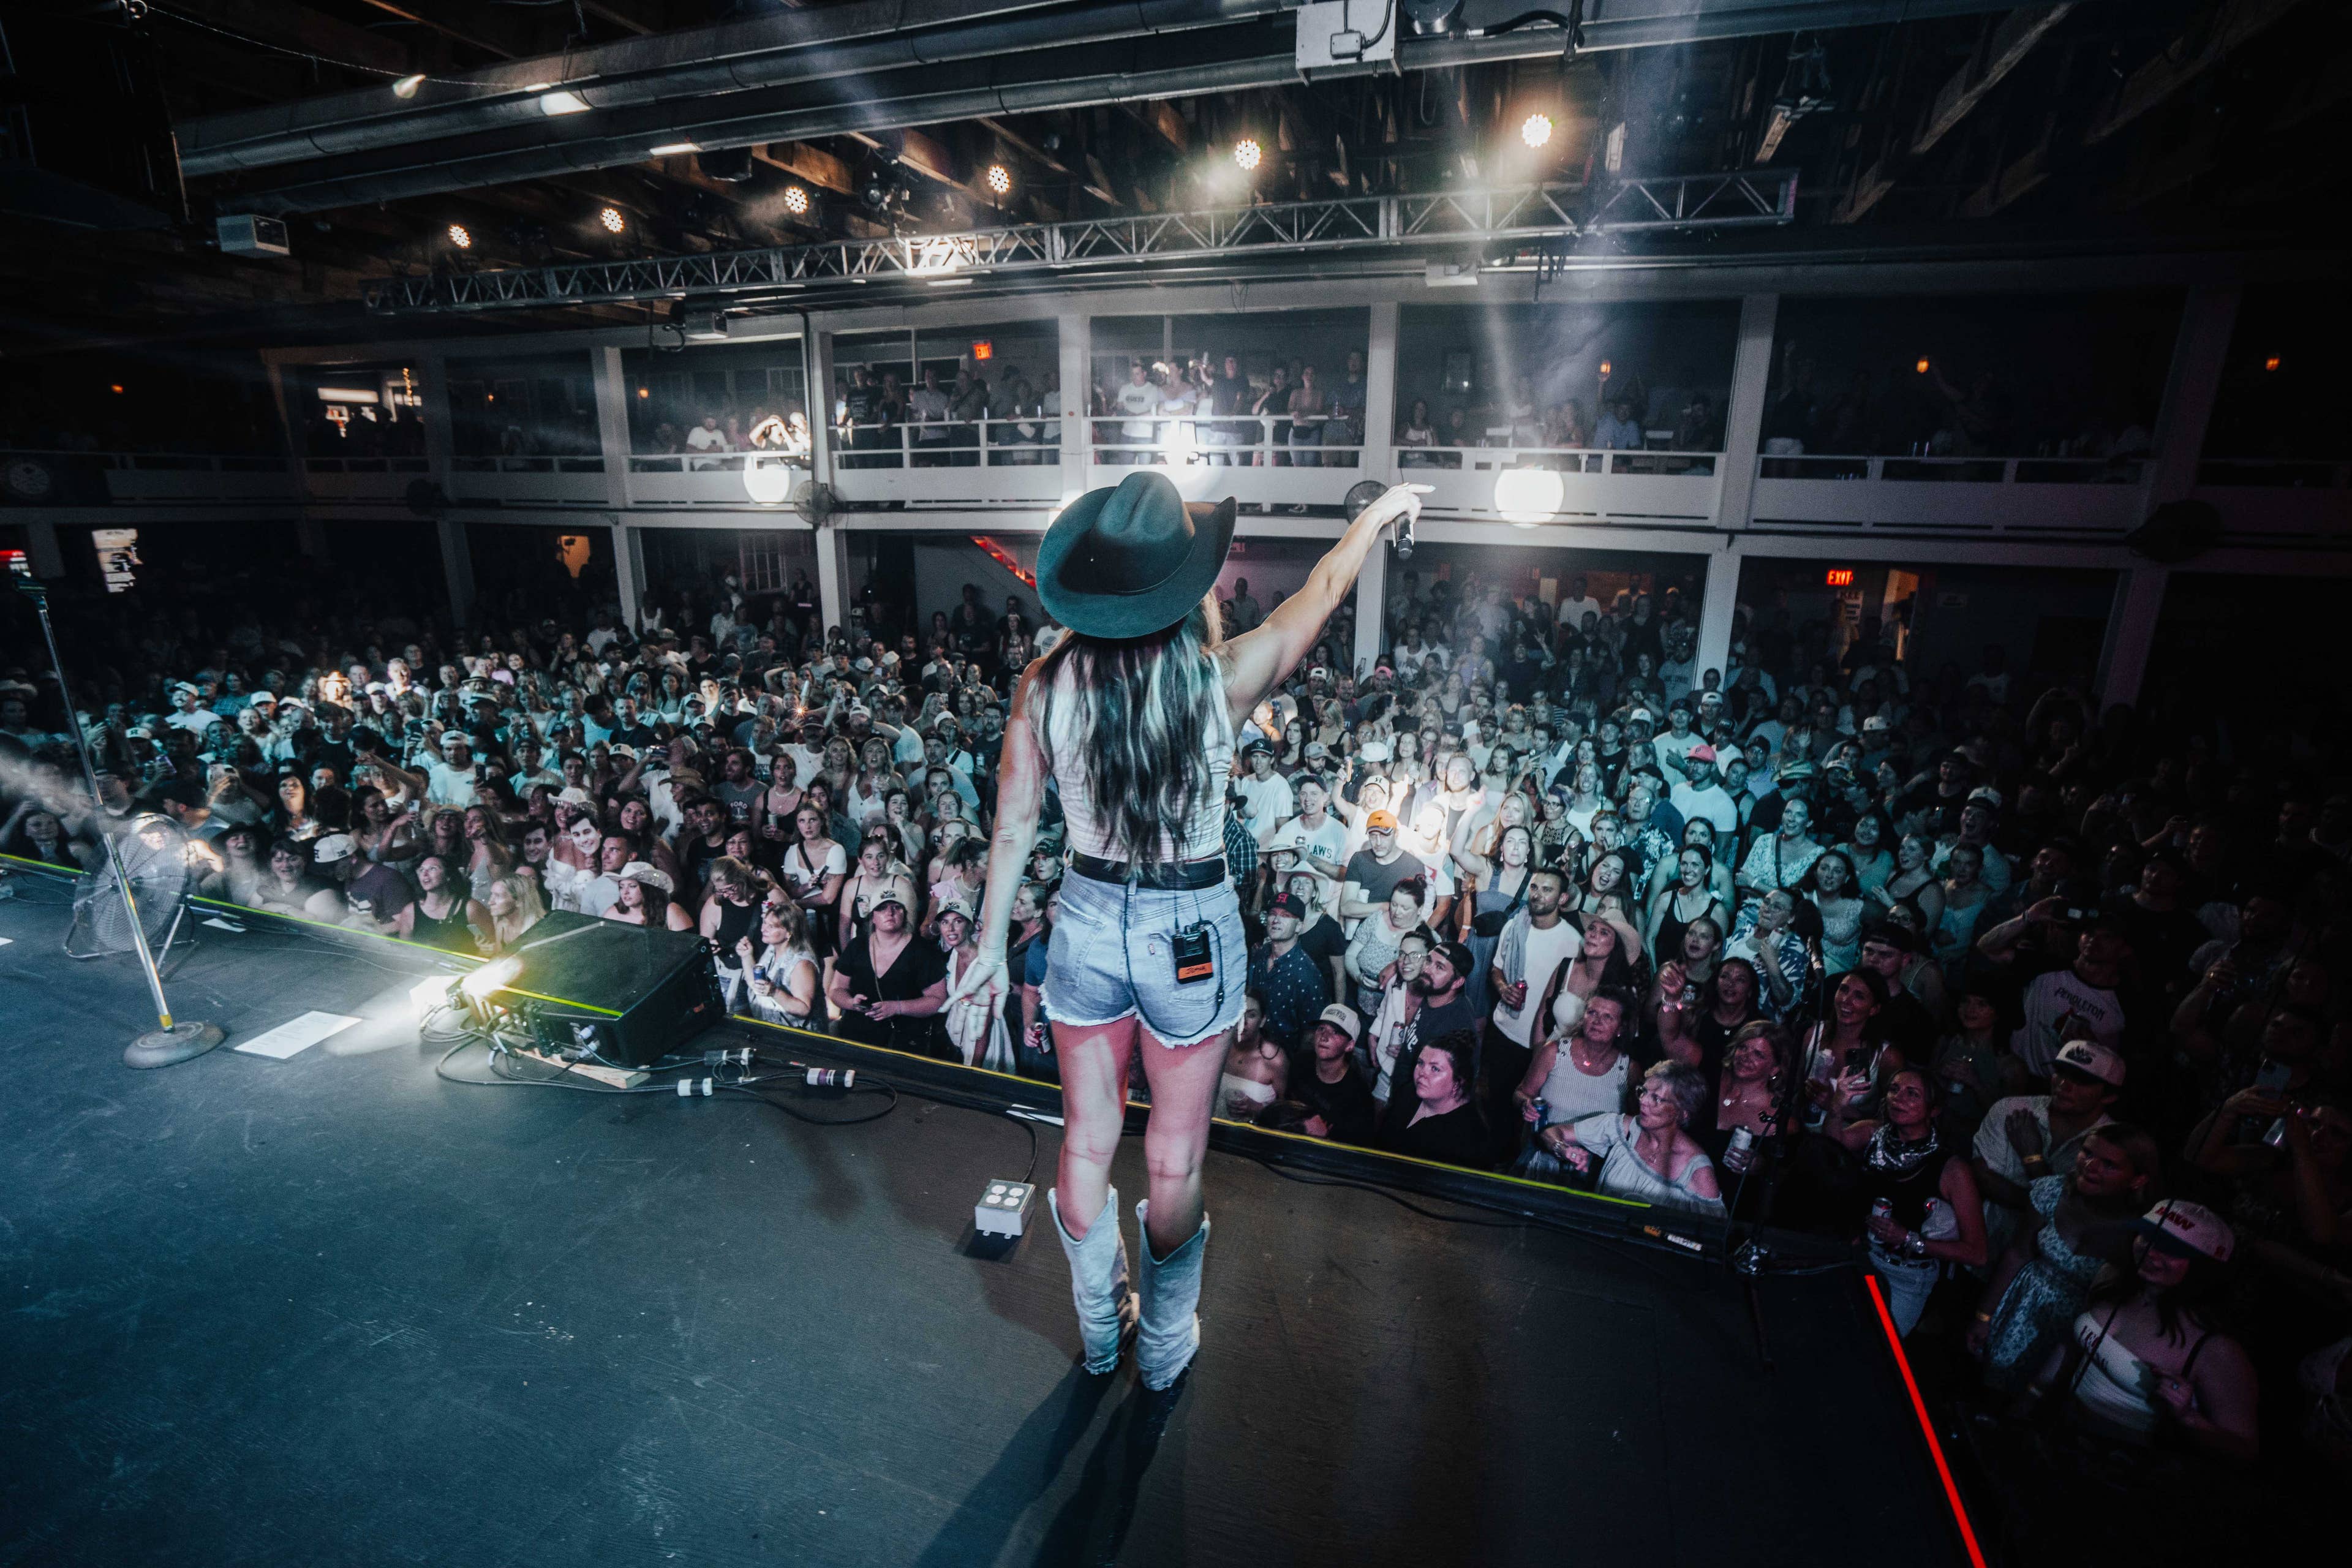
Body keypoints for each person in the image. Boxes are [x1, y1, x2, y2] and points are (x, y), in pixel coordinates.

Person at [945, 467, 1426, 1390]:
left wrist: (990, 945)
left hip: (1084, 917)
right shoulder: (1223, 677)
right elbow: (1321, 591)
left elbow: (1011, 826)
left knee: (1086, 1140)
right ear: (1186, 586)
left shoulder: (1042, 687)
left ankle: (1098, 1336)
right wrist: (1374, 515)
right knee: (1173, 1154)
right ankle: (1162, 1350)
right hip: (1189, 926)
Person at [1971, 1123, 2162, 1393]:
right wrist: (1983, 1316)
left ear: (2138, 1179)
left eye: (2109, 1165)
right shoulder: (2051, 1191)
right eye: (2088, 1153)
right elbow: (2018, 1253)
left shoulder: (2140, 1234)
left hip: (2073, 1333)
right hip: (2022, 1307)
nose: (2092, 1166)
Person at [1826, 1066, 1991, 1335]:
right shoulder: (1873, 1133)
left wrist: (1908, 1239)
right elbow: (1831, 1151)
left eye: (1912, 1093)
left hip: (1906, 1278)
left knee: (1877, 1351)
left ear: (1933, 1109)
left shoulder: (1951, 1169)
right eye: (1894, 1090)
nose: (1898, 1098)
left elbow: (1978, 1254)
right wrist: (1836, 1108)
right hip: (1859, 1256)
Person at [1551, 1060, 1726, 1216]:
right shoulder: (1623, 1128)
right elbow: (1553, 1132)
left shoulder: (1696, 1170)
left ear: (1682, 1113)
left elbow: (1714, 1234)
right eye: (1643, 1092)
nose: (1643, 1101)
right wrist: (1562, 1148)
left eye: (1656, 1098)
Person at [828, 882, 949, 1058]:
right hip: (857, 1037)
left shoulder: (922, 951)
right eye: (882, 908)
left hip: (903, 1042)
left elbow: (938, 1000)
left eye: (896, 907)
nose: (890, 913)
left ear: (905, 914)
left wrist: (898, 1007)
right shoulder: (857, 946)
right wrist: (851, 1003)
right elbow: (836, 989)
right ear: (873, 917)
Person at [1379, 1028, 1489, 1167]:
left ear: (1459, 1082)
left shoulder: (1471, 1139)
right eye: (1420, 1063)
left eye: (1435, 1069)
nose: (1422, 1073)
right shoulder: (1409, 1093)